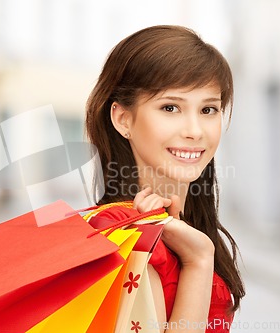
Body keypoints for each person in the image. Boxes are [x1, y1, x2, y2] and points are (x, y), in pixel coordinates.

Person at [85, 25, 245, 332]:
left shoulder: (185, 226)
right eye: (170, 107)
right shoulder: (121, 235)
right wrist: (198, 261)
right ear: (123, 119)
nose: (195, 130)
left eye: (208, 109)